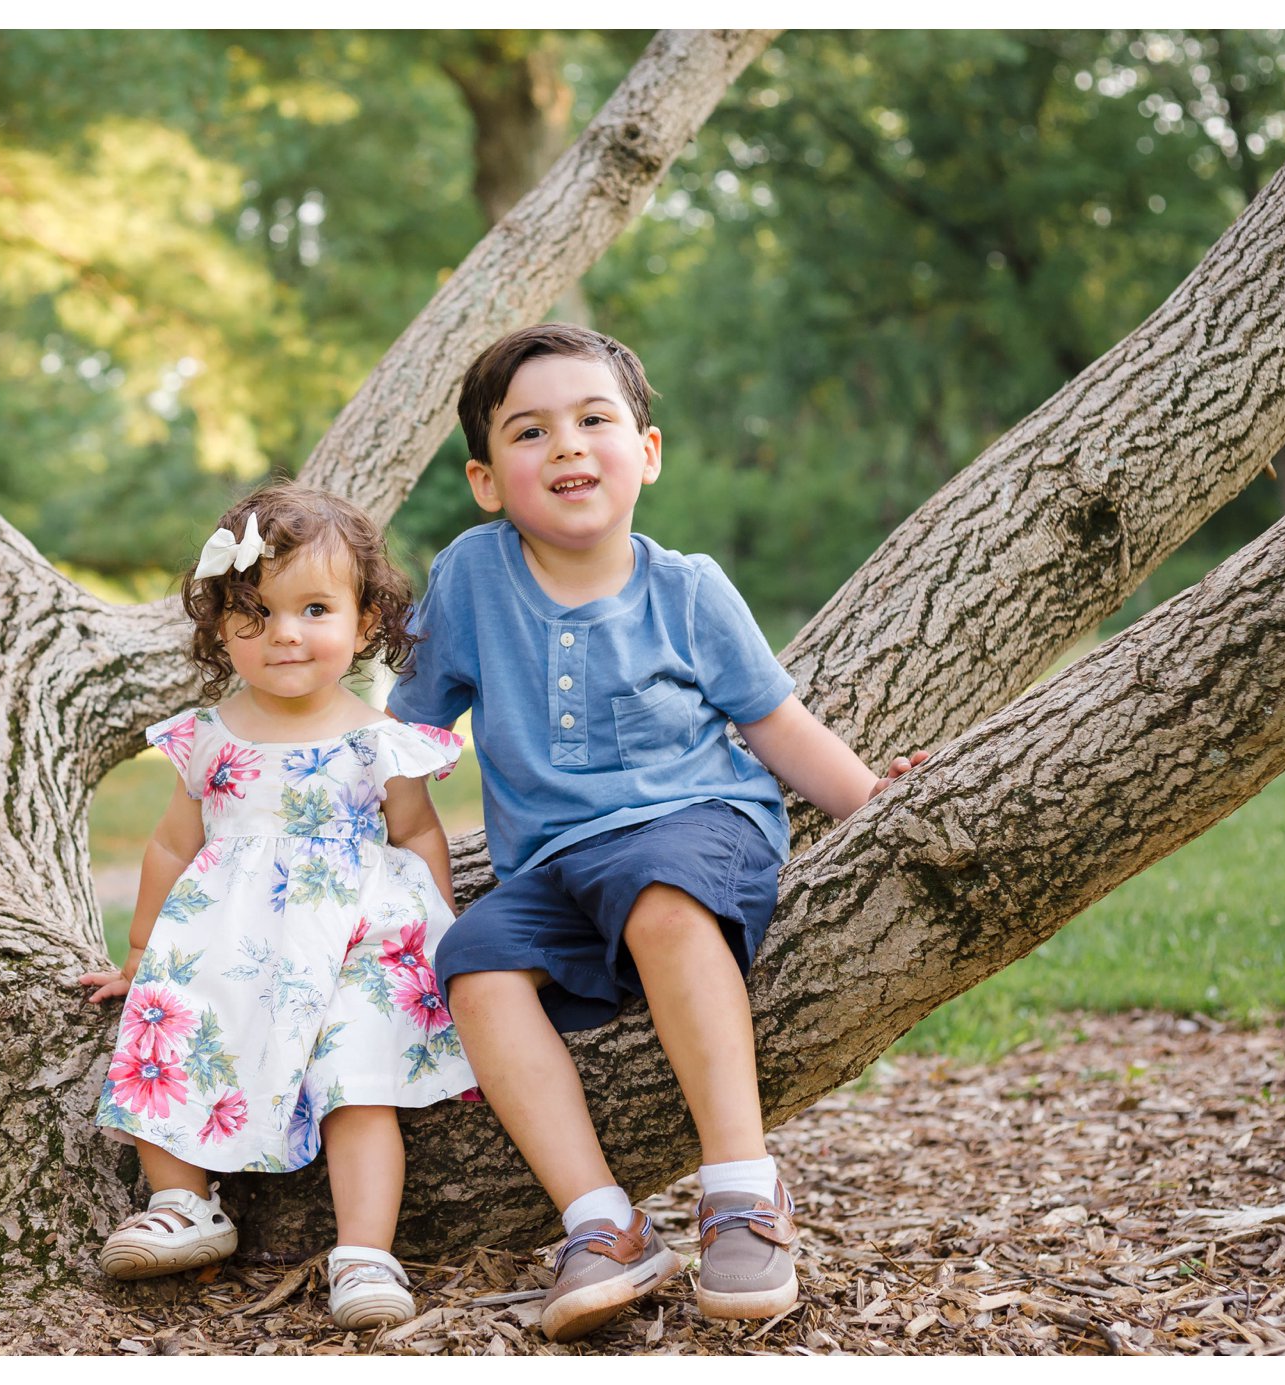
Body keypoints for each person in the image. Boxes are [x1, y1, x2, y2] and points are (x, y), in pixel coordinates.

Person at [388, 324, 928, 1342]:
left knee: (659, 893)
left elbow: (774, 724)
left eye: (594, 419)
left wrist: (870, 803)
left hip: (695, 825)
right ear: (485, 478)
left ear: (647, 451)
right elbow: (407, 731)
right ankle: (600, 1220)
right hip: (551, 867)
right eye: (529, 431)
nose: (566, 446)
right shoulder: (467, 577)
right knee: (472, 961)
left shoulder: (685, 588)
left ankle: (740, 1189)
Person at [78, 482, 475, 1330]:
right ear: (221, 628)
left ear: (366, 622)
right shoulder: (211, 735)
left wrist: (440, 939)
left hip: (354, 945)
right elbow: (171, 845)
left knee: (356, 1078)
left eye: (315, 608)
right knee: (168, 1024)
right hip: (235, 939)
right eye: (254, 612)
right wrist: (141, 952)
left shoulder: (378, 739)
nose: (284, 633)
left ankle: (366, 1252)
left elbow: (418, 838)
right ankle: (184, 1203)